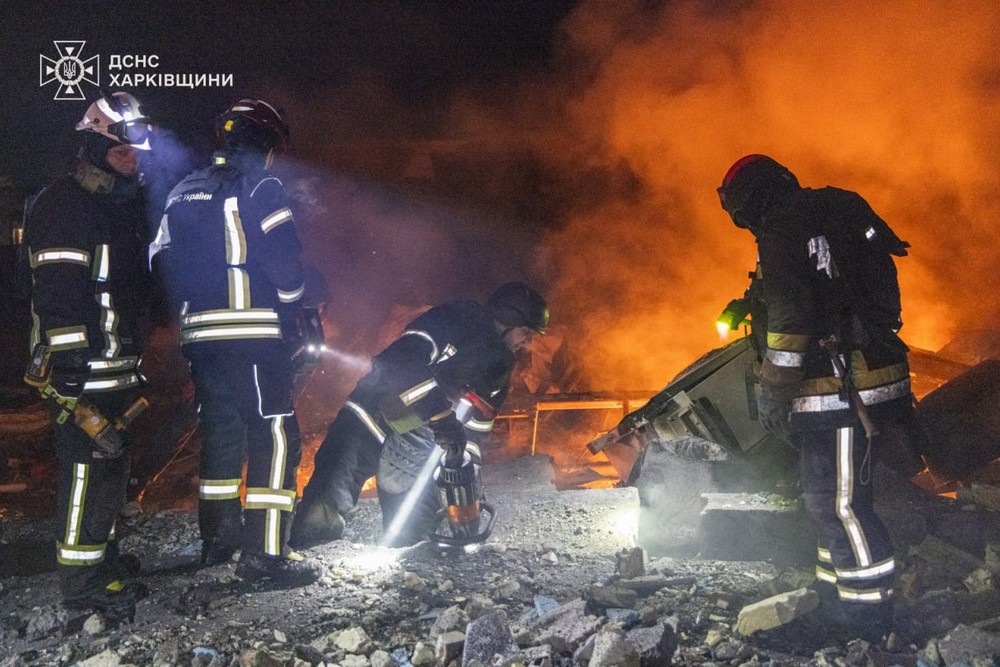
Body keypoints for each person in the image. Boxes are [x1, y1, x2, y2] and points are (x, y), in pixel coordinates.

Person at [717, 154, 912, 642]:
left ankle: (868, 617)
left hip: (841, 392)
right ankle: (834, 599)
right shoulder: (834, 207)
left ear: (751, 204)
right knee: (825, 503)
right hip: (861, 379)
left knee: (841, 506)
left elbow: (791, 325)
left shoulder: (782, 230)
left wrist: (772, 393)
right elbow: (840, 290)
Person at [149, 98, 319, 584]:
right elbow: (286, 268)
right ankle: (265, 556)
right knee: (275, 433)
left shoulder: (183, 191)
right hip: (254, 336)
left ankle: (218, 543)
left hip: (201, 339)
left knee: (222, 434)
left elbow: (159, 260)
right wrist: (297, 303)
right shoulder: (262, 186)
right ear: (265, 145)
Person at [22, 91, 153, 618]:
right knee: (85, 474)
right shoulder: (64, 206)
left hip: (114, 367)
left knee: (110, 472)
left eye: (135, 152)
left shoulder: (111, 208)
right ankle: (81, 585)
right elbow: (58, 291)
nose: (132, 161)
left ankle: (103, 562)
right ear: (93, 149)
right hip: (83, 371)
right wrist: (72, 363)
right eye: (121, 152)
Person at [290, 282, 549, 548]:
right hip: (369, 421)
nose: (527, 342)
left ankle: (406, 560)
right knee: (326, 501)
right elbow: (401, 362)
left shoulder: (498, 370)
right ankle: (310, 551)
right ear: (508, 318)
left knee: (413, 539)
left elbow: (476, 430)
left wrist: (464, 467)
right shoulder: (455, 320)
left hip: (417, 448)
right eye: (526, 332)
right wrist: (440, 416)